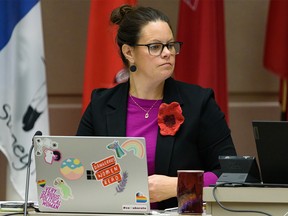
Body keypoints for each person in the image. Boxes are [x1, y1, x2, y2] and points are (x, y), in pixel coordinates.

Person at [76, 5, 237, 210]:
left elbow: (233, 174)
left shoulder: (199, 103)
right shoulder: (101, 105)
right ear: (129, 52)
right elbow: (81, 174)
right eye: (155, 46)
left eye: (170, 45)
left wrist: (179, 186)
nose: (167, 53)